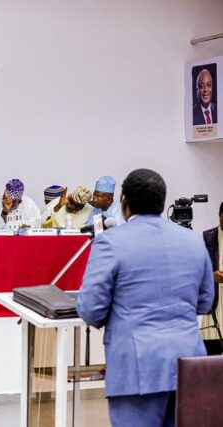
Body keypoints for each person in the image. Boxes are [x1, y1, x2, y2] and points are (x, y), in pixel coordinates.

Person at [76, 169, 214, 427]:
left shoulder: (110, 243)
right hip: (188, 365)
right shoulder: (192, 241)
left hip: (136, 369)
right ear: (162, 202)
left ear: (124, 201)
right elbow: (206, 302)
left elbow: (90, 309)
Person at [201, 202, 223, 346]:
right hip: (214, 305)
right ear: (219, 216)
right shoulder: (208, 237)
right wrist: (211, 276)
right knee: (211, 357)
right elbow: (198, 271)